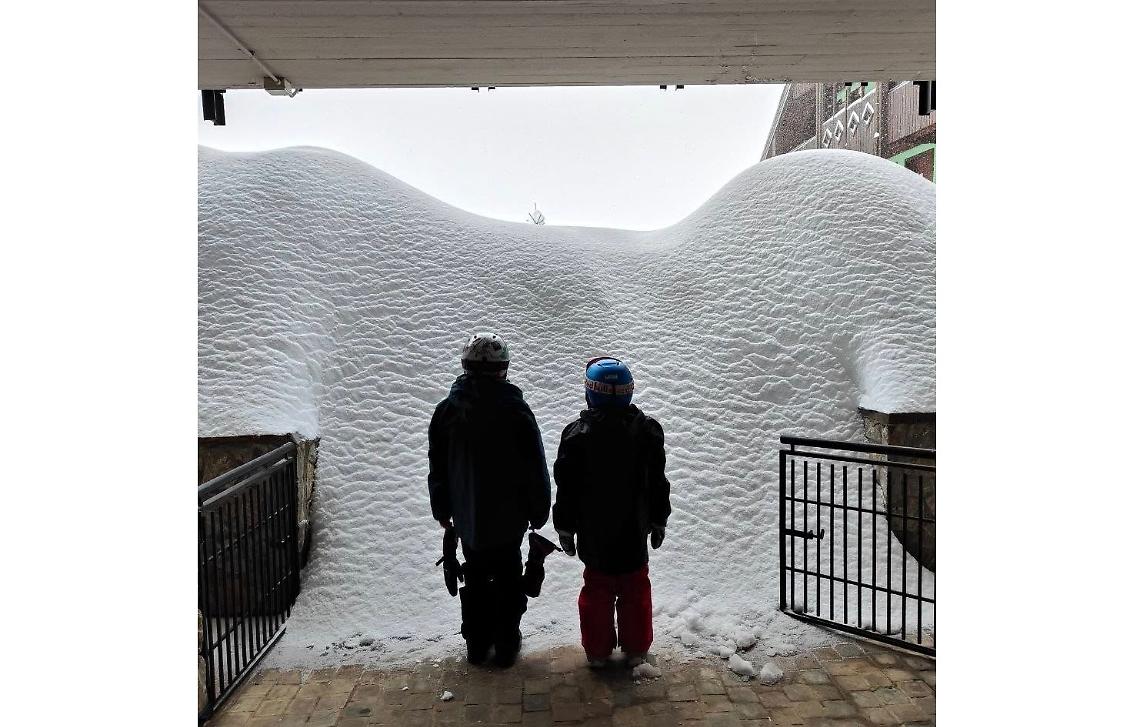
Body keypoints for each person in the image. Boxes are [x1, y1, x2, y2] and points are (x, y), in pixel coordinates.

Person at [428, 333, 551, 667]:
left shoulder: (447, 412)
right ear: (503, 369)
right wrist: (539, 510)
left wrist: (443, 509)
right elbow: (534, 466)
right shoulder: (516, 411)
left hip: (468, 519)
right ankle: (507, 642)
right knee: (510, 577)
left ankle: (477, 643)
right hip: (510, 520)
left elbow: (437, 465)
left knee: (476, 576)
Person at [552, 357, 671, 668]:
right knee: (635, 591)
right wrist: (659, 519)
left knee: (597, 592)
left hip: (594, 535)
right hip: (634, 532)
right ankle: (636, 650)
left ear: (591, 393)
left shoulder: (576, 436)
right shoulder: (647, 432)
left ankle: (597, 651)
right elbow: (658, 482)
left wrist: (565, 527)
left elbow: (566, 488)